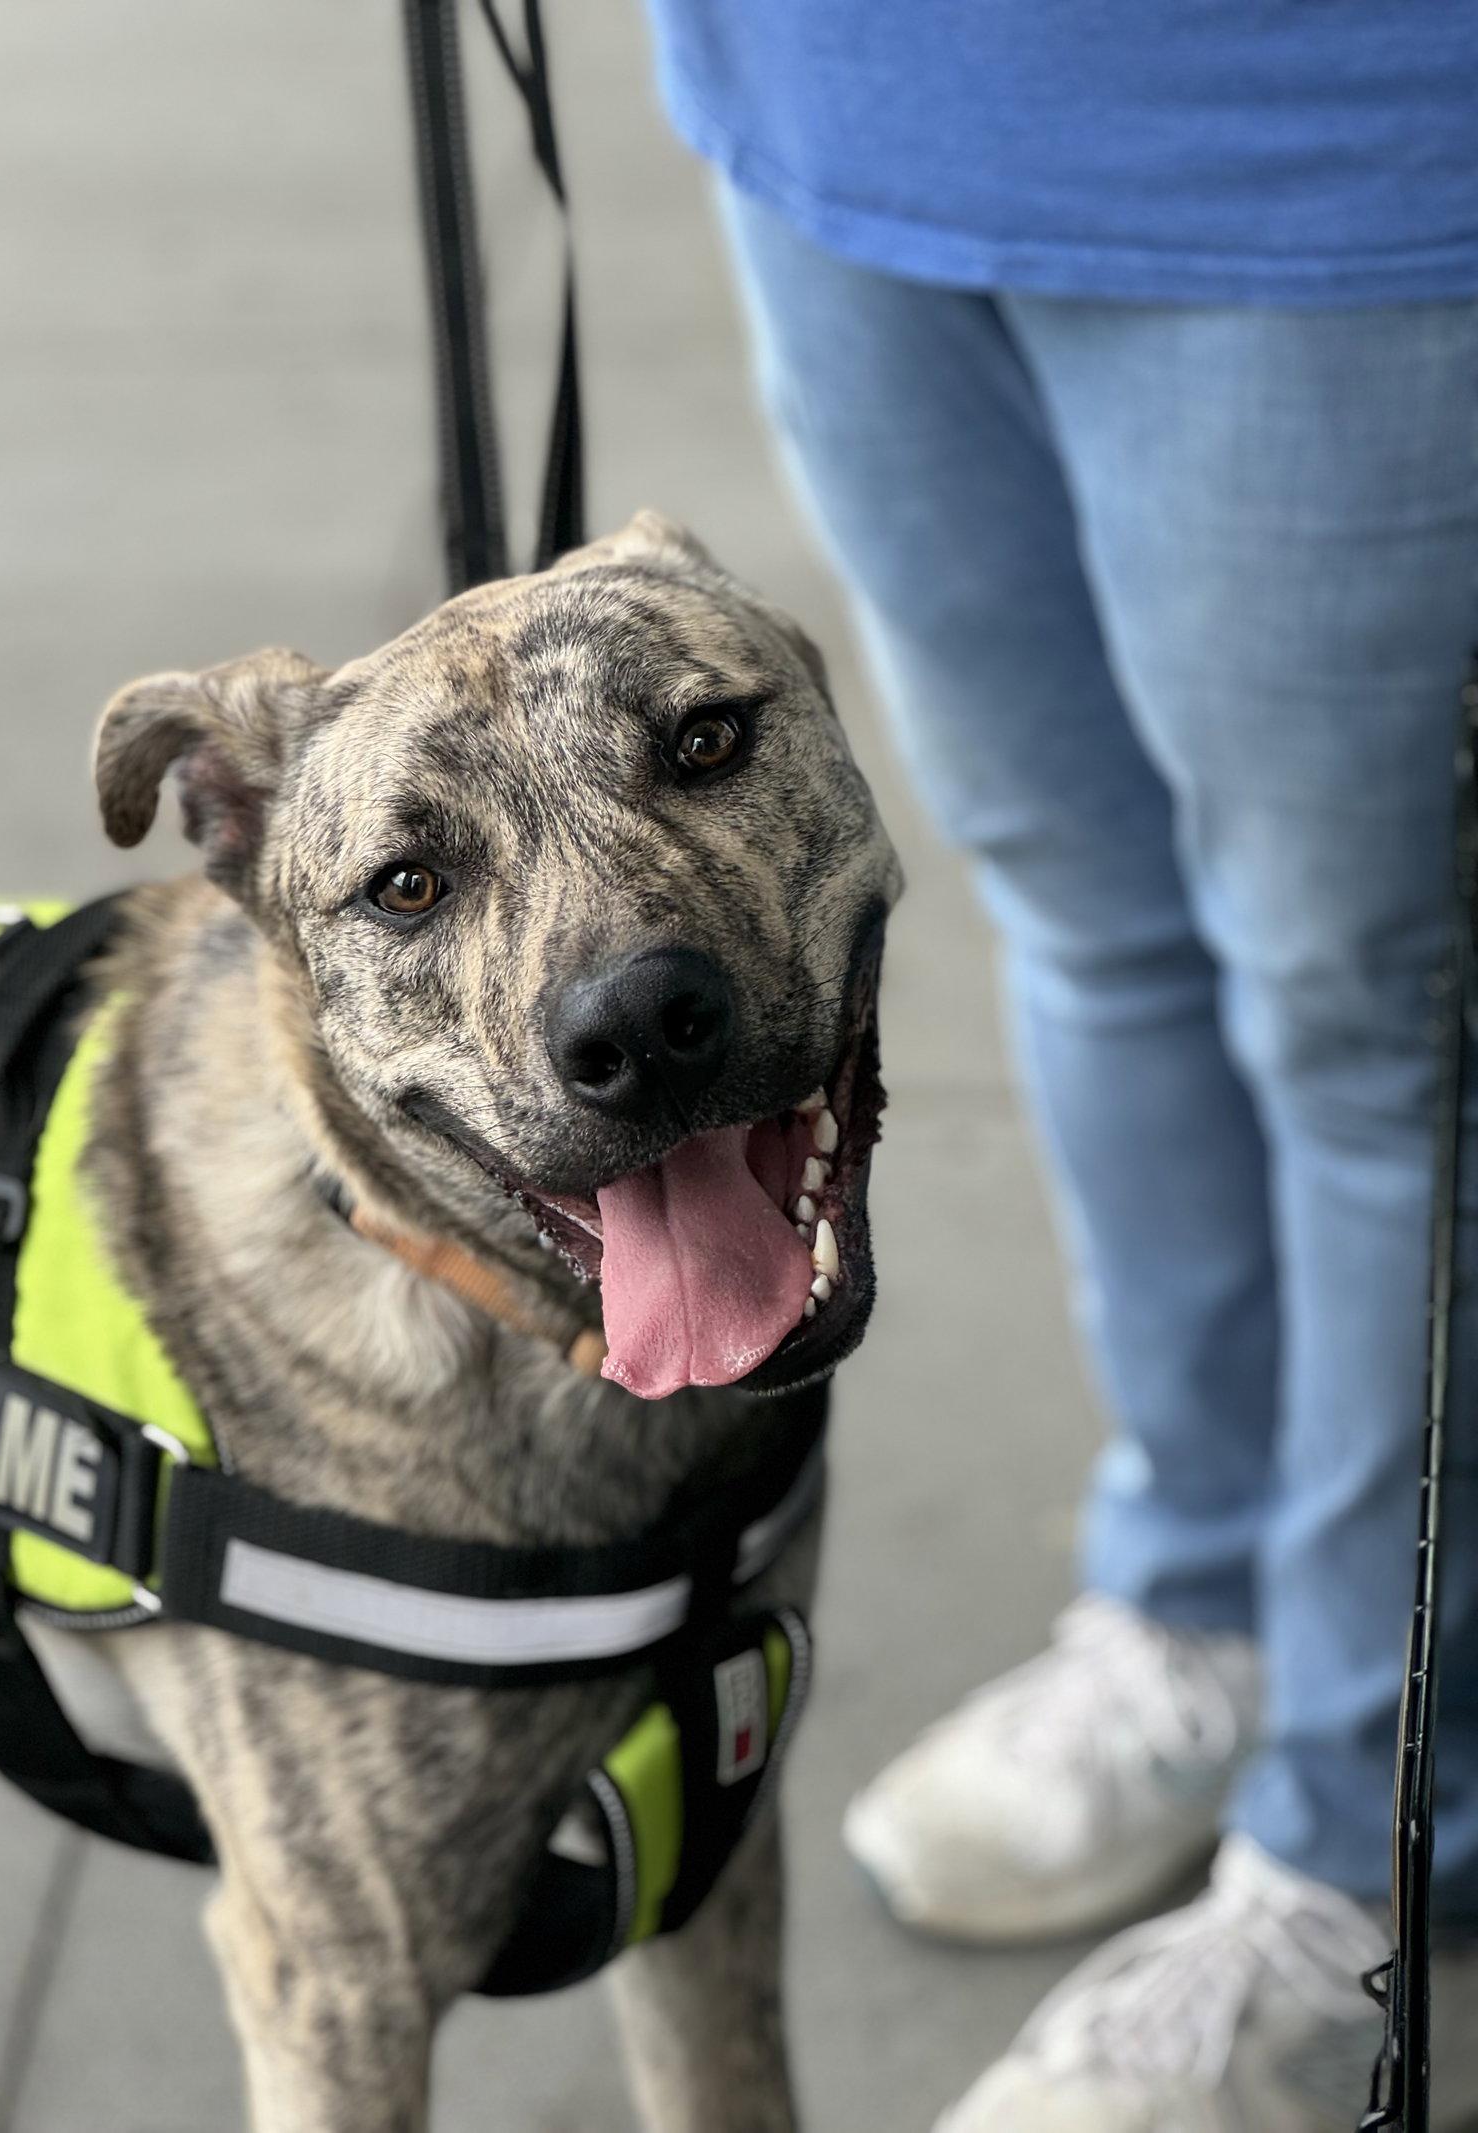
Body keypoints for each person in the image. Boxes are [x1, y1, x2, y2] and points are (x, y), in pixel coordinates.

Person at [639, 8, 1478, 2128]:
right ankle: (1202, 1602)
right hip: (837, 97)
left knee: (1367, 1004)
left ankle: (1356, 1835)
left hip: (1326, 140)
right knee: (1080, 913)